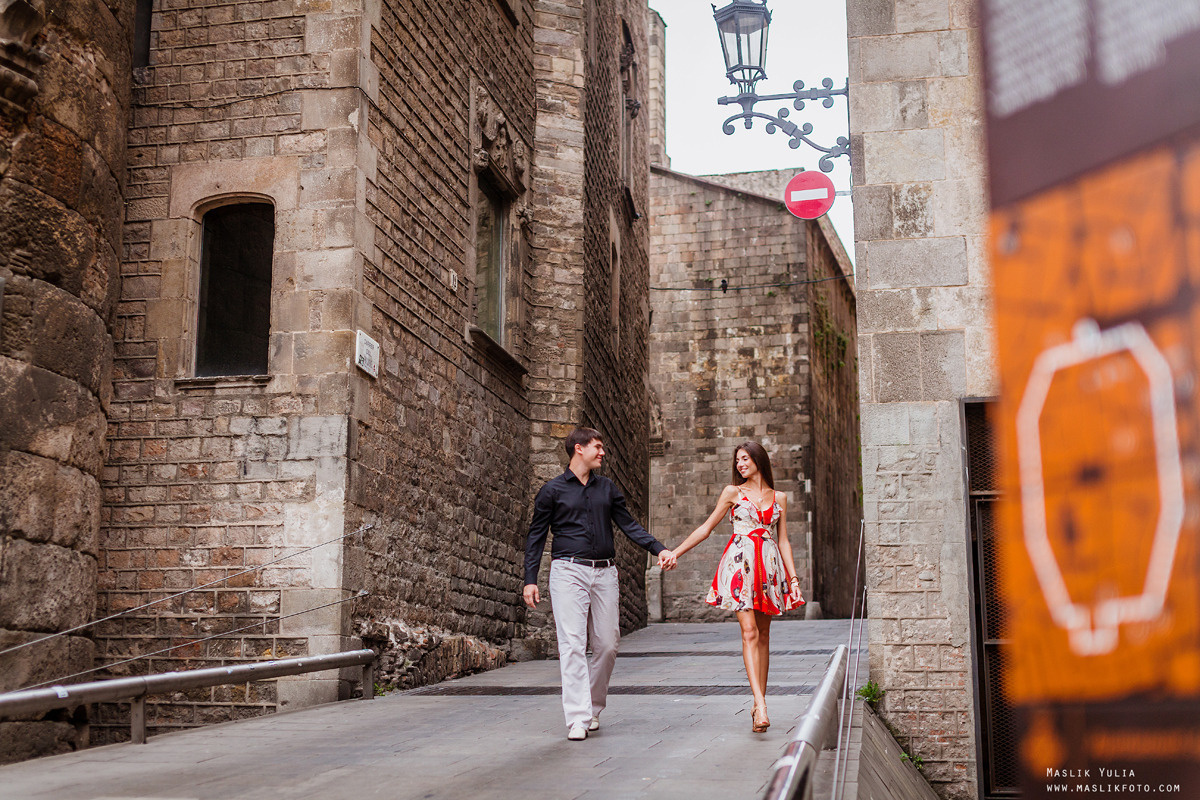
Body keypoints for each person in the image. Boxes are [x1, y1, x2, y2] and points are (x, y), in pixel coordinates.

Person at [523, 427, 677, 741]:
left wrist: (658, 548)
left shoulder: (607, 488)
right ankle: (577, 718)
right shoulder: (551, 491)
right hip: (568, 572)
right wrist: (530, 580)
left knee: (607, 645)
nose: (602, 452)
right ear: (578, 449)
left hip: (605, 572)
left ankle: (592, 707)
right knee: (572, 644)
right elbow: (536, 537)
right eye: (597, 446)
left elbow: (629, 525)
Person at [669, 442, 804, 733]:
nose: (740, 464)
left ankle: (758, 702)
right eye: (737, 460)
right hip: (740, 566)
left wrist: (793, 580)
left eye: (745, 458)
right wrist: (675, 552)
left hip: (768, 568)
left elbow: (783, 541)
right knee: (750, 631)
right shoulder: (732, 492)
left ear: (758, 460)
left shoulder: (779, 497)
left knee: (764, 635)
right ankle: (761, 704)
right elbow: (706, 528)